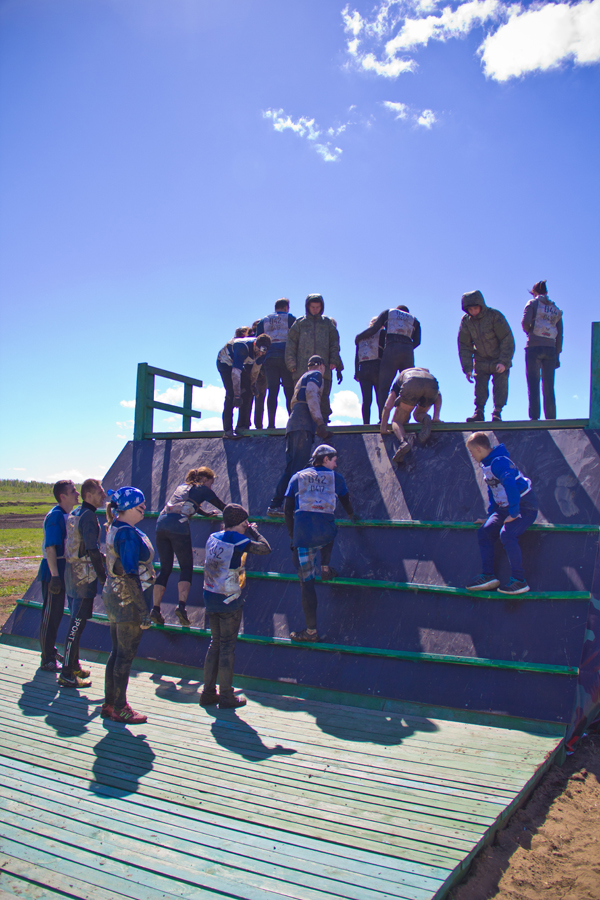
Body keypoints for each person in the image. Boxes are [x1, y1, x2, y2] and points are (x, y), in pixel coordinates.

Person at [200, 503, 271, 709]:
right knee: (227, 647)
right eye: (243, 524)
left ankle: (207, 693)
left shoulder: (213, 537)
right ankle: (226, 695)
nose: (245, 527)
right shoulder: (238, 539)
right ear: (239, 523)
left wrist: (242, 527)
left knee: (215, 643)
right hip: (229, 599)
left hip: (210, 595)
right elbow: (265, 548)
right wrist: (253, 531)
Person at [284, 444, 356, 642]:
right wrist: (352, 515)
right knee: (330, 525)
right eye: (334, 460)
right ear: (325, 459)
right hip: (325, 535)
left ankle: (311, 632)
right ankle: (324, 567)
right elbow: (345, 500)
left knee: (306, 584)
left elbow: (287, 510)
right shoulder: (336, 478)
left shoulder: (297, 477)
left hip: (303, 537)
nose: (335, 464)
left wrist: (292, 537)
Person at [101, 486, 155, 724]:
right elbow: (131, 574)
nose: (144, 509)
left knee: (117, 652)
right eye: (141, 505)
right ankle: (120, 707)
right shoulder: (127, 534)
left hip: (115, 596)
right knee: (125, 655)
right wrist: (143, 611)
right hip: (127, 600)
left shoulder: (116, 527)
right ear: (129, 507)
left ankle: (110, 703)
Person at [151, 467, 226, 627]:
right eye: (211, 483)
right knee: (186, 568)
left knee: (165, 569)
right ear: (204, 480)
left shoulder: (182, 487)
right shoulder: (203, 489)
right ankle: (181, 607)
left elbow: (190, 504)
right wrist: (240, 516)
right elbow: (223, 506)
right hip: (178, 526)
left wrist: (206, 514)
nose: (211, 487)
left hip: (161, 524)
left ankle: (155, 609)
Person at [465, 432, 538, 595]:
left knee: (507, 534)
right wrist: (491, 515)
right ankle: (488, 576)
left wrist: (514, 513)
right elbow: (493, 491)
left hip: (524, 506)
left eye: (471, 451)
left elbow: (511, 487)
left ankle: (519, 581)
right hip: (504, 508)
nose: (471, 455)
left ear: (478, 449)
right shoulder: (486, 464)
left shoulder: (500, 462)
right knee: (484, 532)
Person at [267, 355, 331, 517]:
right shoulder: (316, 375)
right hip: (303, 425)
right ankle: (292, 507)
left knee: (291, 469)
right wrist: (319, 422)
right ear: (321, 366)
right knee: (299, 470)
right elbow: (311, 394)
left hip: (293, 425)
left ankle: (275, 505)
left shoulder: (303, 377)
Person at [60, 478, 108, 688]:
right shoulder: (89, 516)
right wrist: (103, 578)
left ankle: (74, 665)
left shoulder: (76, 512)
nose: (103, 496)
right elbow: (91, 549)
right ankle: (66, 674)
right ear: (89, 495)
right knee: (76, 626)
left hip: (71, 573)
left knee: (75, 621)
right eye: (100, 493)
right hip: (83, 578)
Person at [36, 480, 80, 672]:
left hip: (64, 570)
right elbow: (51, 548)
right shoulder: (55, 516)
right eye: (73, 491)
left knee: (57, 614)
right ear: (63, 496)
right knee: (51, 615)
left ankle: (51, 653)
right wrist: (54, 576)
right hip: (53, 571)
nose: (77, 493)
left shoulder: (67, 515)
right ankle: (47, 658)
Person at [458, 290, 515, 423]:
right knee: (480, 387)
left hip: (498, 358)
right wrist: (467, 368)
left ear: (481, 305)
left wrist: (504, 361)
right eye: (470, 309)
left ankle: (497, 412)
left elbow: (507, 339)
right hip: (481, 359)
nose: (473, 311)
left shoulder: (494, 316)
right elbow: (464, 345)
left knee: (500, 386)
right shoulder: (466, 321)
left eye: (475, 308)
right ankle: (479, 412)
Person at [285, 294, 343, 423]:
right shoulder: (300, 323)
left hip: (324, 370)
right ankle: (301, 424)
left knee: (324, 398)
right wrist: (291, 363)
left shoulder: (327, 323)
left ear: (322, 307)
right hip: (301, 370)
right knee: (301, 398)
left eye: (318, 307)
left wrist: (334, 360)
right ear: (307, 307)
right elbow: (290, 344)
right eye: (313, 307)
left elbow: (335, 343)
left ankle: (323, 423)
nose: (315, 309)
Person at [355, 305, 421, 414]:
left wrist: (359, 337)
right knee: (408, 384)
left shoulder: (388, 313)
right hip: (407, 353)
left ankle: (383, 418)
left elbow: (374, 329)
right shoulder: (414, 320)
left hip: (391, 350)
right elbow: (418, 341)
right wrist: (407, 347)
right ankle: (404, 417)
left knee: (384, 386)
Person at [380, 367, 442, 464]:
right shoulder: (425, 373)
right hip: (432, 384)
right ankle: (426, 418)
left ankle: (403, 442)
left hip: (411, 383)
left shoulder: (400, 379)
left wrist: (383, 426)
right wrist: (436, 417)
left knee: (397, 421)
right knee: (418, 414)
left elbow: (387, 406)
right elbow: (438, 394)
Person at [522, 280, 563, 421]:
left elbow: (525, 322)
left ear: (534, 292)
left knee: (533, 384)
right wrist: (557, 354)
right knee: (549, 386)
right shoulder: (555, 309)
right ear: (546, 292)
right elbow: (560, 334)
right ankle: (551, 420)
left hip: (534, 347)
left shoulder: (532, 303)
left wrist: (530, 333)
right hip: (550, 349)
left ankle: (534, 419)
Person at [256, 299, 297, 429]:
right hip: (286, 358)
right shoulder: (290, 318)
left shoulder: (264, 320)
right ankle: (292, 423)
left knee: (272, 391)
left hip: (270, 359)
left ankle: (271, 424)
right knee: (289, 391)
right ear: (286, 307)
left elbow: (258, 341)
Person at [215, 327, 255, 439]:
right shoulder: (240, 346)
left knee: (247, 392)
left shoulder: (253, 346)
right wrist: (237, 396)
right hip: (225, 364)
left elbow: (254, 368)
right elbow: (235, 374)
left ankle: (242, 425)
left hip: (238, 365)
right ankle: (228, 429)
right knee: (231, 394)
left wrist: (252, 384)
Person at [354, 316, 386, 424]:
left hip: (363, 368)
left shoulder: (361, 337)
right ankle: (382, 421)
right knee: (380, 397)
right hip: (377, 367)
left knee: (366, 399)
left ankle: (366, 423)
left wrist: (356, 372)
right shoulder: (382, 333)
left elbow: (356, 356)